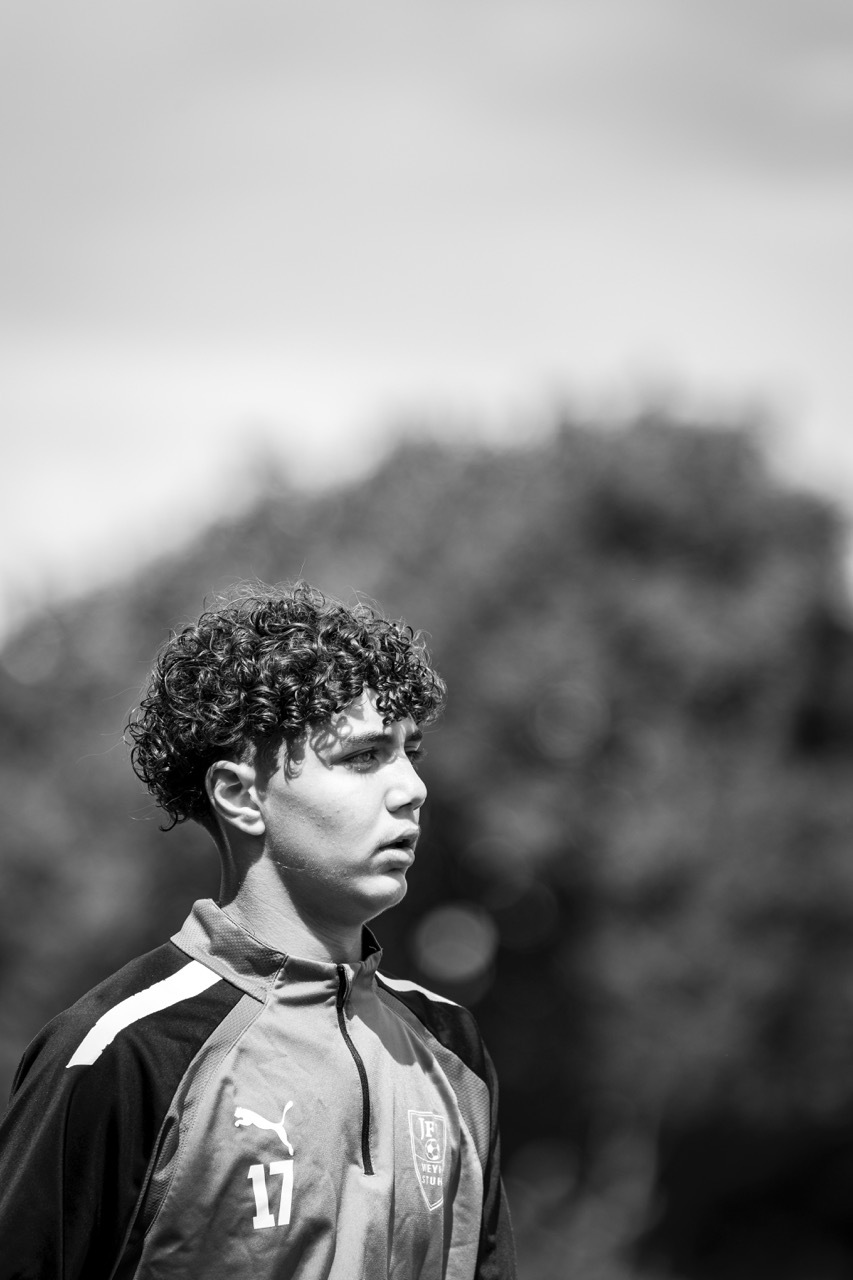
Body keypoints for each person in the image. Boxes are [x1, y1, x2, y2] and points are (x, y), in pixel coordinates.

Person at [0, 582, 516, 1279]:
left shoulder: (451, 1048)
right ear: (241, 795)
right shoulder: (126, 1051)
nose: (411, 789)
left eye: (409, 753)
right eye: (363, 756)